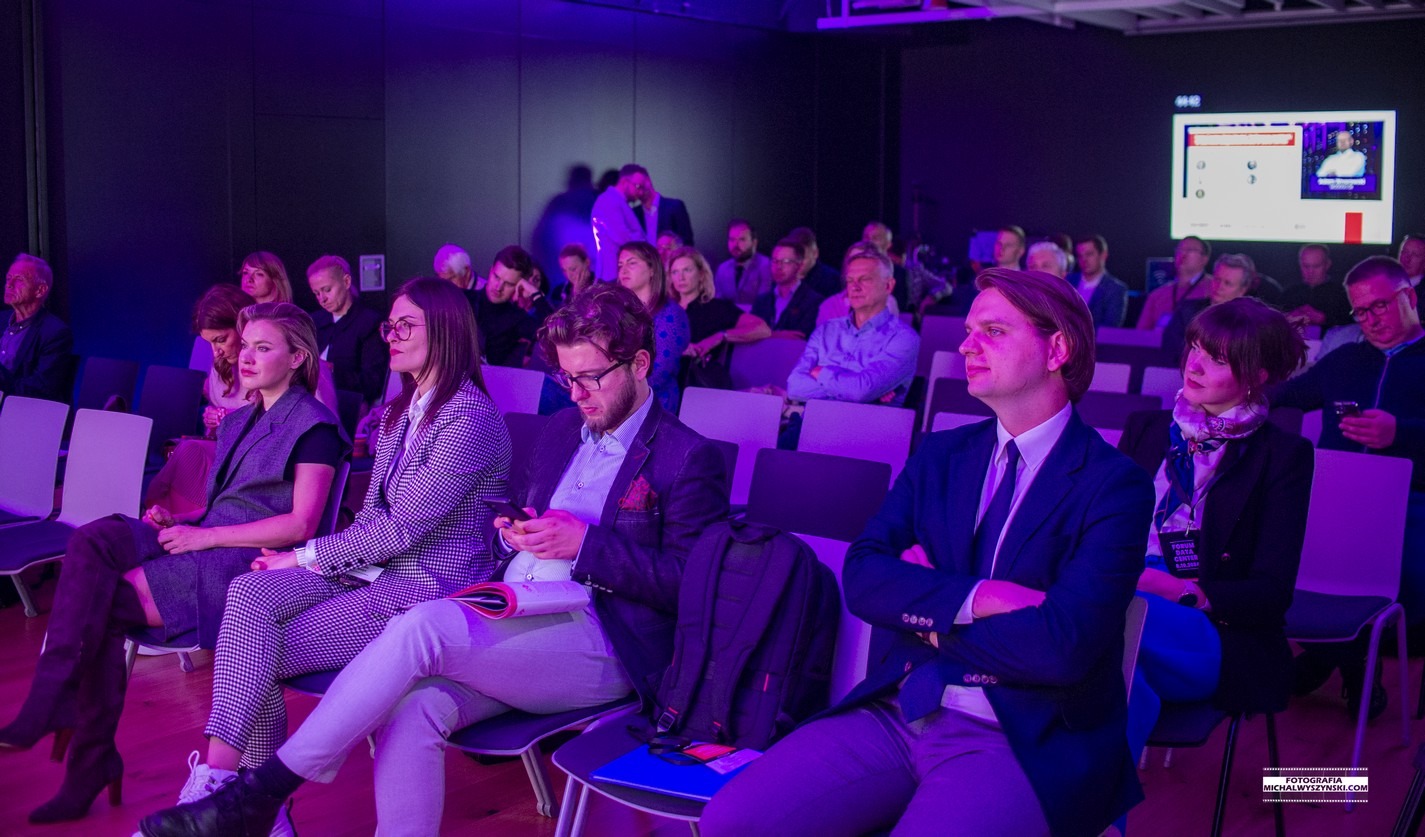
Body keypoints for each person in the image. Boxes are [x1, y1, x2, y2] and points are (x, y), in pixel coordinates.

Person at [137, 283, 730, 837]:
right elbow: (494, 534)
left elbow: (692, 587)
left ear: (640, 365)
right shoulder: (560, 431)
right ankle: (254, 802)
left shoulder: (686, 456)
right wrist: (513, 535)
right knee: (410, 707)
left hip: (605, 640)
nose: (576, 394)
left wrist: (586, 546)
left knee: (420, 626)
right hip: (515, 610)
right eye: (567, 378)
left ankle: (256, 794)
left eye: (590, 378)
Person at [702, 268, 1154, 837]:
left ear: (1057, 349)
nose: (967, 346)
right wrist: (979, 598)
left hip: (1020, 736)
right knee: (731, 822)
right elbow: (864, 577)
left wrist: (931, 618)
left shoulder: (1115, 485)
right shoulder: (941, 455)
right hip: (904, 705)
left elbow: (1063, 648)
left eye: (993, 331)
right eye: (968, 331)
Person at [169, 278, 511, 829]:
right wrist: (315, 558)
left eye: (405, 327)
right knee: (249, 592)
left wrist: (304, 556)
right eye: (390, 326)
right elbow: (374, 517)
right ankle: (230, 791)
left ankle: (236, 801)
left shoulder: (467, 417)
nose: (391, 336)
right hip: (376, 571)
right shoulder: (402, 411)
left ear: (446, 332)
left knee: (254, 654)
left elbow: (401, 529)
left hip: (427, 586)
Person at [0, 302, 342, 825]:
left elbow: (301, 525)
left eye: (263, 348)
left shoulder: (315, 426)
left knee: (101, 605)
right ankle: (65, 717)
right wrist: (180, 518)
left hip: (242, 561)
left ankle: (85, 750)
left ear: (297, 358)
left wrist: (204, 536)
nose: (245, 357)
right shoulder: (238, 420)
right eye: (246, 346)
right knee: (92, 540)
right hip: (204, 537)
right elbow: (226, 503)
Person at [1118, 298, 1312, 754]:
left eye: (1218, 359)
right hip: (1121, 592)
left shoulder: (1283, 456)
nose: (1195, 365)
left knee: (1090, 630)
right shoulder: (1147, 429)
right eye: (1195, 348)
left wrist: (1179, 590)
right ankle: (1102, 799)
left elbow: (1271, 592)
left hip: (1208, 621)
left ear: (1257, 374)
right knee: (1117, 677)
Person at [1275, 256, 1425, 717]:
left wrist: (1401, 433)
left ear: (1409, 297)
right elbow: (1284, 396)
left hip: (1411, 507)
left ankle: (1330, 659)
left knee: (1399, 584)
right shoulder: (1343, 361)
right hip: (1335, 506)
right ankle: (1351, 662)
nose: (1371, 319)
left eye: (1379, 306)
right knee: (1296, 567)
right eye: (1360, 311)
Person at [144, 286, 259, 515]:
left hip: (254, 458)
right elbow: (218, 427)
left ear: (243, 326)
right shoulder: (221, 366)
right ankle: (172, 519)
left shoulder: (268, 362)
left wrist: (230, 419)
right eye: (210, 343)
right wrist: (213, 419)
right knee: (188, 452)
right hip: (226, 450)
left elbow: (277, 425)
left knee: (191, 453)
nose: (216, 352)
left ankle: (176, 520)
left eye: (221, 340)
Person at [788, 247, 918, 409]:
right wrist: (862, 393)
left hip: (868, 424)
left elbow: (861, 391)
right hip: (815, 419)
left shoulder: (904, 339)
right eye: (850, 280)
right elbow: (795, 387)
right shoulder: (826, 330)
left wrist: (821, 373)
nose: (854, 287)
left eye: (864, 279)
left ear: (888, 286)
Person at [669, 246, 770, 371]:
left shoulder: (716, 308)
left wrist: (720, 336)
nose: (681, 277)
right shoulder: (665, 310)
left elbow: (762, 328)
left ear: (701, 274)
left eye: (687, 270)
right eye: (675, 272)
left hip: (696, 375)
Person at [616, 241, 690, 412]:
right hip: (616, 391)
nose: (623, 270)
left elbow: (658, 373)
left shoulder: (671, 314)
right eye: (620, 265)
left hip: (655, 400)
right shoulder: (618, 311)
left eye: (631, 263)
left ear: (652, 270)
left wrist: (611, 387)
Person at [308, 255, 387, 406]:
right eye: (316, 293)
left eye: (327, 290)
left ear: (346, 282)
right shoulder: (314, 322)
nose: (322, 299)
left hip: (349, 406)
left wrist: (331, 372)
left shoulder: (369, 322)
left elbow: (373, 382)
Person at [0, 253, 74, 402]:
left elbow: (41, 387)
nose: (9, 285)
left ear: (40, 290)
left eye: (19, 279)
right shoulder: (1, 319)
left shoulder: (55, 333)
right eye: (8, 278)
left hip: (22, 408)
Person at [1163, 253, 1258, 355]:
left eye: (1227, 283)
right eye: (1217, 279)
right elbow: (1170, 350)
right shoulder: (1186, 311)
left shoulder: (1250, 323)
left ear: (1242, 290)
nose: (1219, 286)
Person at [477, 245, 554, 368]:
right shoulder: (464, 299)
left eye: (509, 284)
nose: (498, 287)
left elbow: (555, 333)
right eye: (496, 277)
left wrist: (535, 294)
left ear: (520, 285)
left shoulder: (517, 319)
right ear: (491, 271)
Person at [751, 238, 824, 339]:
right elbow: (749, 332)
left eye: (786, 261)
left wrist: (765, 334)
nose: (778, 267)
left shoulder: (813, 301)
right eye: (775, 261)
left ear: (799, 265)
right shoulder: (762, 301)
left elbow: (802, 336)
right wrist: (777, 335)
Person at [1138, 237, 1211, 329]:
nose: (1183, 254)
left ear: (1204, 258)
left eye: (1190, 250)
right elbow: (1141, 333)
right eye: (1179, 249)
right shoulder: (1157, 295)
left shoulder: (1215, 290)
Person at [591, 163, 648, 280]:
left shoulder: (616, 201)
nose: (640, 192)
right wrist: (641, 239)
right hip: (613, 274)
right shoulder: (609, 200)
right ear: (624, 182)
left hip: (617, 272)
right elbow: (622, 237)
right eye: (638, 186)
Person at [1281, 244, 1351, 331]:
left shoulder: (1341, 294)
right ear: (1300, 264)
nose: (1310, 272)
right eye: (1306, 266)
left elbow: (1352, 325)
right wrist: (1287, 318)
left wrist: (1324, 319)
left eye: (1316, 266)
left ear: (1327, 264)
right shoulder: (1289, 293)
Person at [1069, 235, 1129, 328]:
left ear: (1103, 255)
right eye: (1080, 256)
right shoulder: (1069, 281)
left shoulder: (1115, 289)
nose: (1084, 260)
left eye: (1089, 254)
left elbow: (1110, 327)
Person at [713, 218, 773, 303]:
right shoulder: (723, 269)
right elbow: (718, 302)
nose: (735, 245)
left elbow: (764, 302)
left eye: (742, 239)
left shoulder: (766, 266)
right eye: (732, 239)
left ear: (754, 243)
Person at [631, 169, 694, 246]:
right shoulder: (634, 213)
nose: (639, 190)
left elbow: (687, 241)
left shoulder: (675, 207)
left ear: (648, 180)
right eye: (634, 186)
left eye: (640, 184)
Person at [788, 226, 841, 299]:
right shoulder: (783, 275)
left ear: (815, 253)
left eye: (803, 258)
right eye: (793, 258)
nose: (798, 263)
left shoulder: (831, 280)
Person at [551, 242, 596, 307]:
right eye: (564, 270)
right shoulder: (558, 293)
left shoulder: (602, 287)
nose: (568, 275)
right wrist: (575, 294)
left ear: (587, 262)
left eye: (573, 269)